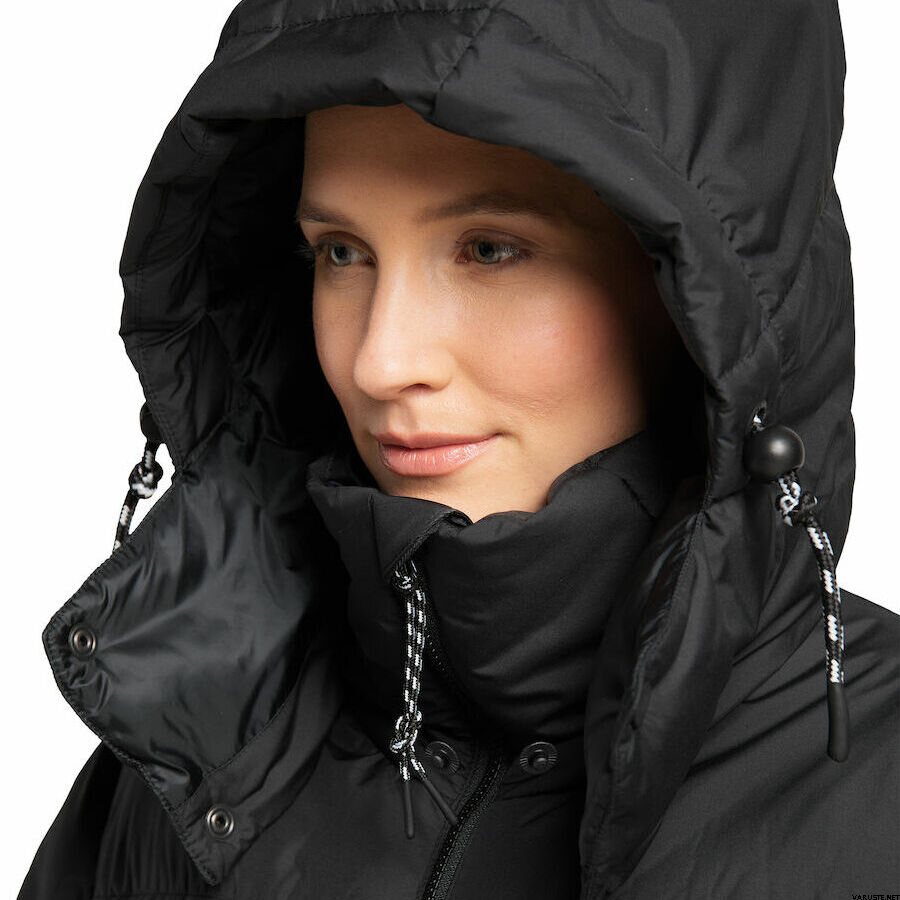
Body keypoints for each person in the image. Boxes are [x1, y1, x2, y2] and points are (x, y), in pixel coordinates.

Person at [18, 2, 899, 899]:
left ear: (699, 296)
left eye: (488, 249)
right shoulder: (196, 758)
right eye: (340, 253)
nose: (379, 360)